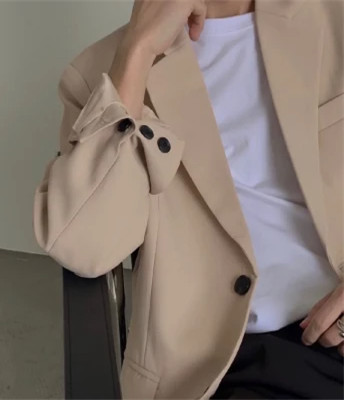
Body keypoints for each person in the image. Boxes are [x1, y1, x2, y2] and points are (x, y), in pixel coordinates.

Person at [33, 0, 344, 398]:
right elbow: (85, 247)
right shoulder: (99, 75)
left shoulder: (331, 17)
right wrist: (139, 49)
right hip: (234, 364)